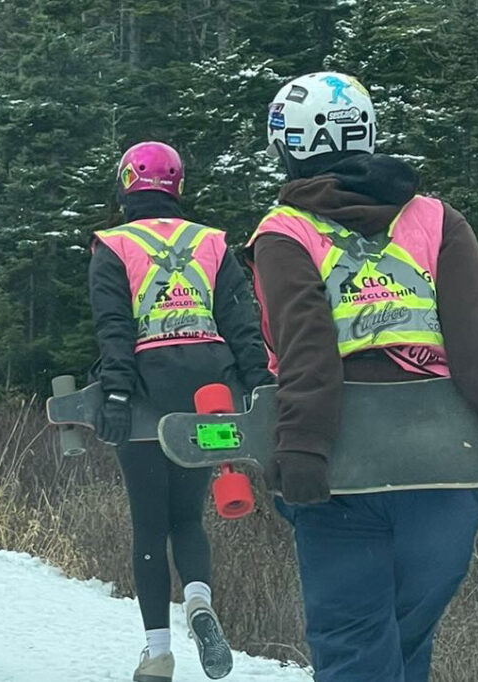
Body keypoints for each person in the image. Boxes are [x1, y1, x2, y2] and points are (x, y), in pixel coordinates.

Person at [246, 71, 478, 681]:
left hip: (343, 467)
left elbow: (305, 345)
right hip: (446, 464)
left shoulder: (285, 232)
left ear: (290, 146)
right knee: (404, 635)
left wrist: (304, 445)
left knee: (353, 640)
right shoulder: (437, 220)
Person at [90, 141, 272, 682]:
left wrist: (117, 393)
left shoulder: (114, 246)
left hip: (146, 392)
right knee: (189, 517)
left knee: (149, 525)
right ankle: (198, 601)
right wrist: (260, 388)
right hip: (209, 396)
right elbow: (242, 321)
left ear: (126, 183)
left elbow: (114, 329)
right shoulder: (211, 243)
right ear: (178, 185)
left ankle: (157, 652)